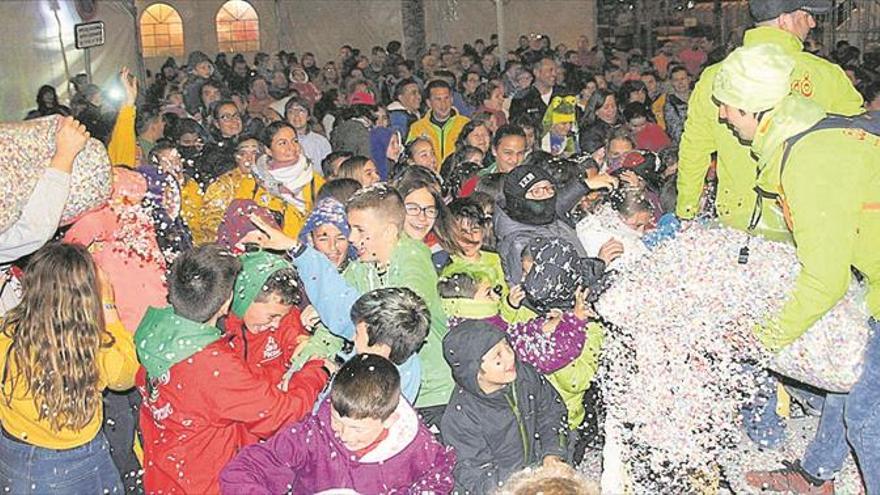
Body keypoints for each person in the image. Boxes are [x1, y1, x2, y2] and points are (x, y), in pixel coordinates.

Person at [709, 43, 880, 495]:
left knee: (868, 417)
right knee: (852, 380)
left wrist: (760, 338)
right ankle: (818, 475)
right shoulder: (815, 131)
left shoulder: (809, 160)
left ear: (751, 107)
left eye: (725, 106)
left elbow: (826, 280)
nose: (723, 117)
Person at [241, 184, 454, 430]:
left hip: (431, 394)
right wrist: (303, 364)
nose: (352, 238)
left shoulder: (412, 260)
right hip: (384, 390)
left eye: (359, 229)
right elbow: (339, 317)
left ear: (388, 231)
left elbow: (385, 319)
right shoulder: (362, 268)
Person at [136, 245, 331, 494]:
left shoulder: (156, 329)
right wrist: (317, 370)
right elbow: (279, 413)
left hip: (165, 473)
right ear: (228, 300)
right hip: (204, 481)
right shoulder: (209, 363)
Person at [676, 0, 864, 241]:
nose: (813, 23)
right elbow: (857, 148)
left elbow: (694, 150)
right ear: (784, 19)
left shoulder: (716, 77)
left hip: (738, 223)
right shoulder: (826, 75)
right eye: (806, 15)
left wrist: (687, 212)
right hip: (811, 221)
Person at [0, 243, 138, 493]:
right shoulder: (95, 346)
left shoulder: (7, 335)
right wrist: (108, 307)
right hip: (80, 461)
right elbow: (126, 377)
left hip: (16, 455)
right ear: (87, 295)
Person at [219, 354, 456, 493]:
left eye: (356, 428)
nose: (343, 434)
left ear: (389, 420)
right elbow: (241, 471)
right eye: (336, 420)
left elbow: (435, 477)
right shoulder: (312, 435)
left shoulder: (415, 444)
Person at [441, 319, 570, 493]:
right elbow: (477, 477)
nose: (510, 357)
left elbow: (552, 412)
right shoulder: (461, 418)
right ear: (474, 370)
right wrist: (529, 482)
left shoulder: (525, 377)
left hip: (535, 472)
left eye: (507, 347)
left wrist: (552, 455)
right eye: (498, 356)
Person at [494, 158, 619, 285]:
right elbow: (551, 289)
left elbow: (560, 201)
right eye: (536, 191)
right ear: (518, 201)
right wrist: (598, 264)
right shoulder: (519, 243)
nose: (546, 196)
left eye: (549, 188)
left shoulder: (545, 217)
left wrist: (585, 185)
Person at [407, 80, 470, 165]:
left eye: (446, 98)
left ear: (452, 100)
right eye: (438, 99)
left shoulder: (465, 124)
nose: (443, 104)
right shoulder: (417, 128)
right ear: (429, 103)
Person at [509, 56, 565, 123]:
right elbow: (516, 125)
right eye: (550, 70)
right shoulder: (522, 98)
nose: (554, 74)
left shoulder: (564, 95)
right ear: (537, 72)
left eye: (556, 70)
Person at [285, 97, 331, 175]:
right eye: (291, 112)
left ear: (309, 116)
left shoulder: (321, 141)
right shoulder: (281, 142)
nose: (296, 115)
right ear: (286, 117)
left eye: (301, 111)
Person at [663, 65, 692, 146]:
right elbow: (676, 134)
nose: (680, 83)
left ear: (689, 79)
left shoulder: (698, 97)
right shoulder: (670, 104)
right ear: (671, 83)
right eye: (676, 80)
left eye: (683, 79)